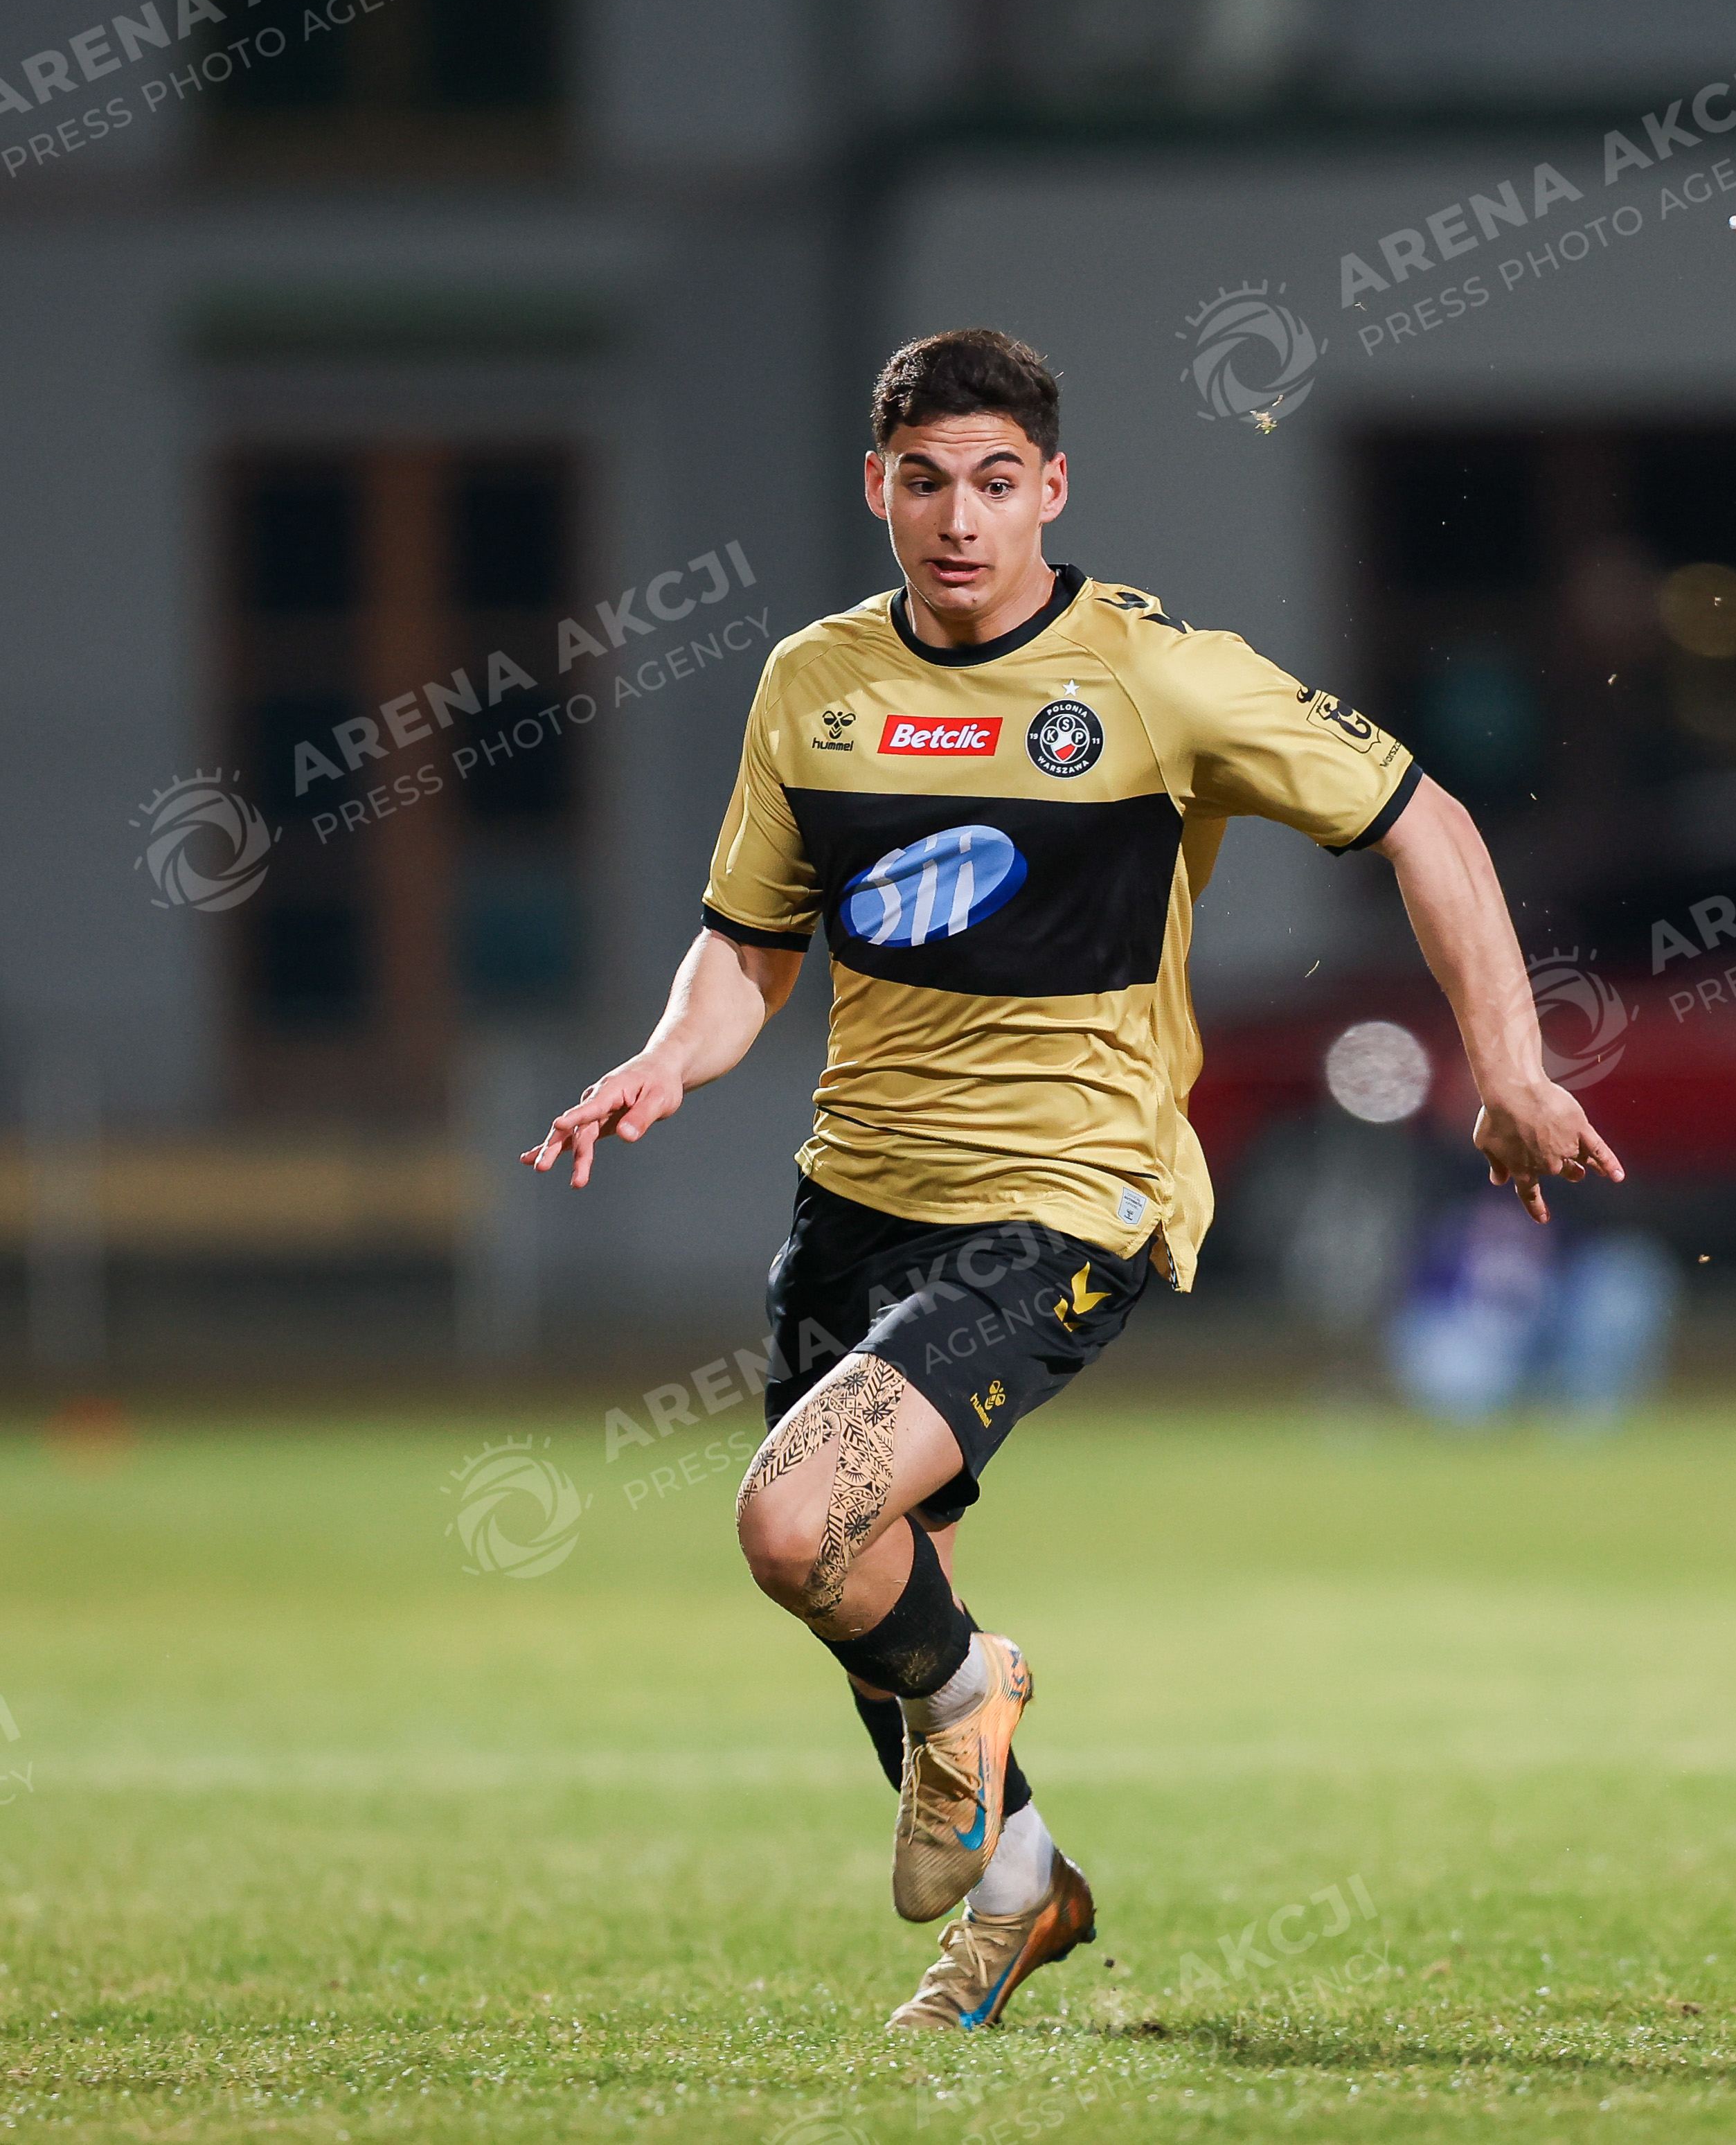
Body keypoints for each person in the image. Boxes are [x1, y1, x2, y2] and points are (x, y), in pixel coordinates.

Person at [522, 329, 1616, 2029]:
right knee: (865, 1582)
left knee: (795, 1519)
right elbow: (747, 943)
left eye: (993, 481)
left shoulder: (1154, 678)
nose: (959, 518)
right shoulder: (814, 683)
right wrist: (671, 1054)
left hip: (1066, 1197)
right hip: (853, 1202)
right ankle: (1023, 1888)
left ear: (1050, 487)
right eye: (924, 482)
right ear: (875, 487)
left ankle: (981, 1694)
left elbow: (1427, 820)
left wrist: (1513, 1069)